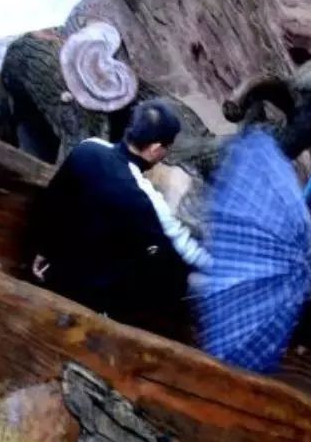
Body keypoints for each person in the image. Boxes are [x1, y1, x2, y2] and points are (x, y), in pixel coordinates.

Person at [31, 100, 211, 323]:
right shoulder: (144, 197)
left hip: (58, 274)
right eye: (167, 147)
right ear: (155, 149)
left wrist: (43, 249)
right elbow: (184, 248)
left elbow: (53, 201)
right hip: (95, 300)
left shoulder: (88, 148)